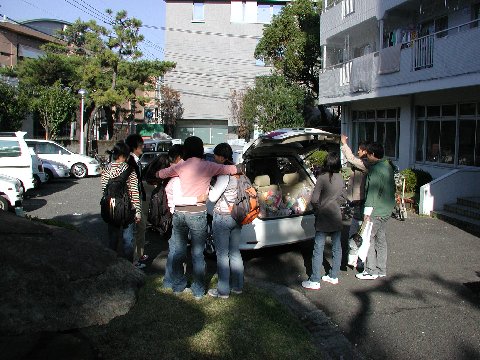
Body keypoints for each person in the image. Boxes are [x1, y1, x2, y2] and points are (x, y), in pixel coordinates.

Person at [155, 136, 240, 299]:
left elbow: (161, 174)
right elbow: (231, 170)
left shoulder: (180, 166)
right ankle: (199, 290)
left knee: (179, 251)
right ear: (201, 149)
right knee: (198, 253)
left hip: (180, 213)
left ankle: (179, 285)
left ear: (185, 149)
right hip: (198, 213)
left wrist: (158, 173)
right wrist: (241, 168)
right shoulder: (208, 165)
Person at [302, 151, 345, 290]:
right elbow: (342, 198)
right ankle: (334, 276)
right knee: (337, 247)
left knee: (318, 248)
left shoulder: (322, 178)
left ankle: (315, 279)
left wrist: (317, 208)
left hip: (323, 216)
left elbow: (314, 199)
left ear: (326, 163)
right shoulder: (341, 178)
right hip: (336, 216)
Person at [207, 143, 243, 299]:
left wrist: (208, 187)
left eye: (215, 156)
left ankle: (223, 291)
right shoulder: (239, 172)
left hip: (223, 217)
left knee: (222, 255)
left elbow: (213, 197)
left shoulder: (224, 174)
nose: (214, 158)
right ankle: (238, 286)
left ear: (221, 157)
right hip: (237, 215)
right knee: (235, 252)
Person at [356, 142, 396, 280]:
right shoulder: (388, 166)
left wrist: (367, 213)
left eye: (368, 155)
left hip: (375, 210)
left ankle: (370, 270)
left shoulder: (375, 169)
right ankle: (381, 269)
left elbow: (372, 192)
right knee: (381, 239)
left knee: (369, 239)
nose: (367, 157)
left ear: (373, 155)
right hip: (386, 209)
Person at [101, 141, 141, 263]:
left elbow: (104, 189)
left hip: (111, 206)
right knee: (128, 239)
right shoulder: (130, 170)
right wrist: (138, 211)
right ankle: (129, 267)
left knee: (113, 238)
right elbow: (134, 192)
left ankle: (111, 265)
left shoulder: (106, 169)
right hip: (127, 207)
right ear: (125, 155)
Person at [340, 134, 369, 270]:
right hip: (354, 200)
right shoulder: (363, 163)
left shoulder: (365, 164)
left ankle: (357, 260)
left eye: (359, 149)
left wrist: (344, 144)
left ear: (365, 151)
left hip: (359, 201)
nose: (358, 152)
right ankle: (352, 258)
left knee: (357, 231)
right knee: (353, 229)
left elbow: (351, 159)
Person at [125, 134, 148, 270]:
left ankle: (139, 254)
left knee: (141, 227)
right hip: (133, 199)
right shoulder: (130, 162)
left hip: (137, 196)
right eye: (141, 145)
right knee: (137, 228)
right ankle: (134, 259)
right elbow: (132, 184)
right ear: (135, 147)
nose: (143, 147)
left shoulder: (135, 160)